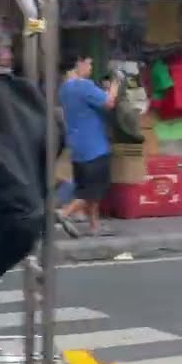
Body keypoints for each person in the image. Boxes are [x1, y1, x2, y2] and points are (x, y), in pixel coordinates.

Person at [57, 53, 118, 236]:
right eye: (89, 64)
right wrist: (115, 85)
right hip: (95, 146)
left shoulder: (64, 89)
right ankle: (64, 212)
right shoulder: (83, 86)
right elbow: (109, 103)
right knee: (94, 189)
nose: (90, 69)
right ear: (79, 63)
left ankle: (94, 226)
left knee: (87, 187)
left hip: (77, 148)